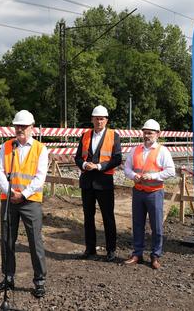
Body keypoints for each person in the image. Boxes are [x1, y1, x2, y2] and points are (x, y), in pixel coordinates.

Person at [0, 109, 48, 298]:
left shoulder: (40, 149)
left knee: (35, 241)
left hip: (30, 201)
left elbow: (40, 177)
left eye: (23, 126)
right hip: (9, 200)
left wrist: (23, 194)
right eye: (17, 126)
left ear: (32, 128)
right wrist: (10, 191)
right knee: (7, 240)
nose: (20, 129)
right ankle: (8, 277)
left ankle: (39, 281)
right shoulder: (7, 146)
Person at [123, 119, 175, 269]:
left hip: (155, 193)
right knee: (137, 224)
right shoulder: (135, 150)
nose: (147, 136)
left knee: (156, 226)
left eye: (150, 133)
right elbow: (127, 168)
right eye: (145, 132)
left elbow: (170, 170)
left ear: (157, 134)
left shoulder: (162, 151)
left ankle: (155, 255)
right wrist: (133, 176)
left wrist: (153, 176)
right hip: (138, 192)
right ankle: (137, 253)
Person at [74, 105, 123, 262]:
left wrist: (99, 166)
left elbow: (117, 159)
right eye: (96, 118)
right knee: (88, 217)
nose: (99, 121)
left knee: (108, 217)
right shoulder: (85, 135)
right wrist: (84, 165)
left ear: (106, 120)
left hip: (104, 182)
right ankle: (90, 248)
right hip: (87, 182)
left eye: (102, 118)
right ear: (92, 119)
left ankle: (111, 249)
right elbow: (77, 157)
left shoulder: (113, 136)